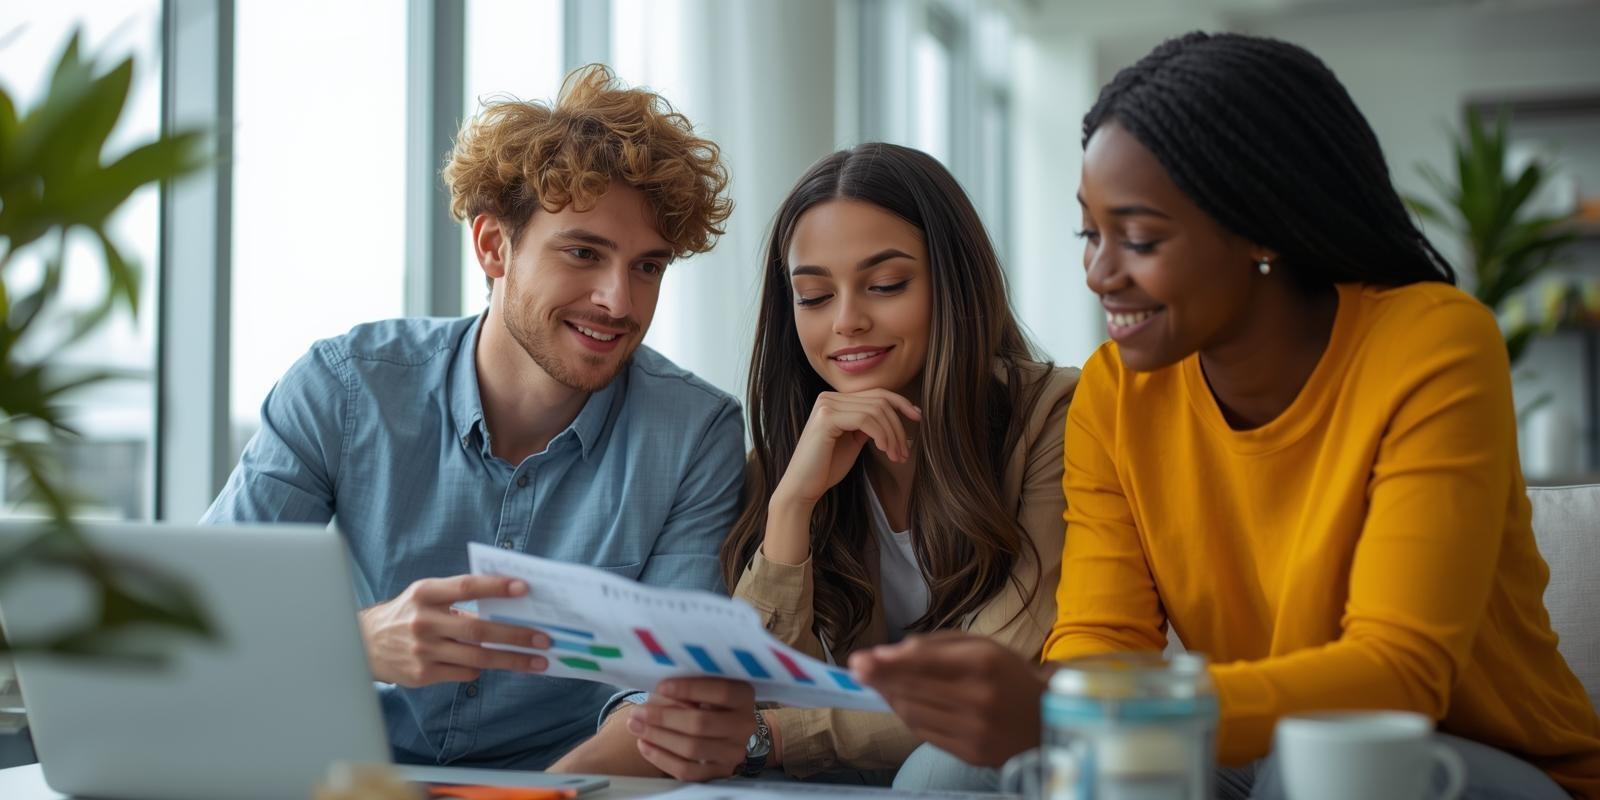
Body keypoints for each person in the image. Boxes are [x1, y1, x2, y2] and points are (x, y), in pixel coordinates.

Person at [852, 32, 1600, 798]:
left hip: (1472, 765)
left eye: (1139, 238)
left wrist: (1063, 708)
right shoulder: (1115, 392)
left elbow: (1396, 678)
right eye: (1090, 232)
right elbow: (1104, 637)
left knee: (1309, 772)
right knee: (947, 774)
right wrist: (1055, 712)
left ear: (1263, 227)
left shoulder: (1432, 344)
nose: (1099, 273)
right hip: (1247, 747)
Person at [203, 65, 758, 776]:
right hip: (348, 780)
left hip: (570, 785)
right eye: (583, 253)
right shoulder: (344, 389)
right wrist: (357, 642)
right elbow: (203, 621)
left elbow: (662, 701)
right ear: (494, 246)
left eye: (647, 267)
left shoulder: (695, 435)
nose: (619, 301)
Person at [665, 142, 1074, 782]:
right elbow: (757, 688)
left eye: (885, 285)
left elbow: (993, 684)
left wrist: (773, 737)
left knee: (940, 773)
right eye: (814, 297)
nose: (848, 321)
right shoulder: (795, 455)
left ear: (954, 283)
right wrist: (791, 506)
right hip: (855, 775)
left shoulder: (1056, 416)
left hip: (1019, 761)